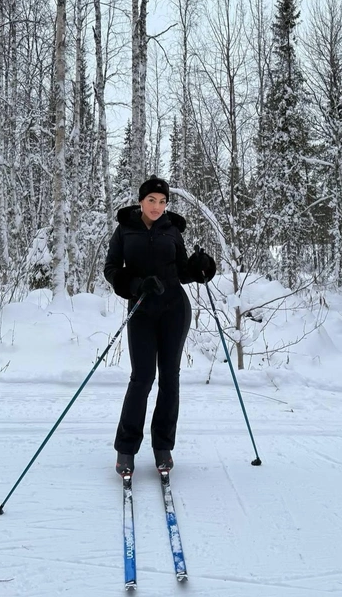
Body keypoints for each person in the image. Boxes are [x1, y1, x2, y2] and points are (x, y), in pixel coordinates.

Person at [104, 175, 216, 476]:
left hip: (174, 311)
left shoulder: (172, 230)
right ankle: (126, 449)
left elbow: (182, 271)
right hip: (141, 310)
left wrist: (201, 267)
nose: (157, 206)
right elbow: (111, 269)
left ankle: (162, 446)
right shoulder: (125, 229)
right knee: (142, 378)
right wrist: (137, 284)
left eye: (162, 201)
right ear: (141, 201)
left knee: (170, 378)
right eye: (152, 200)